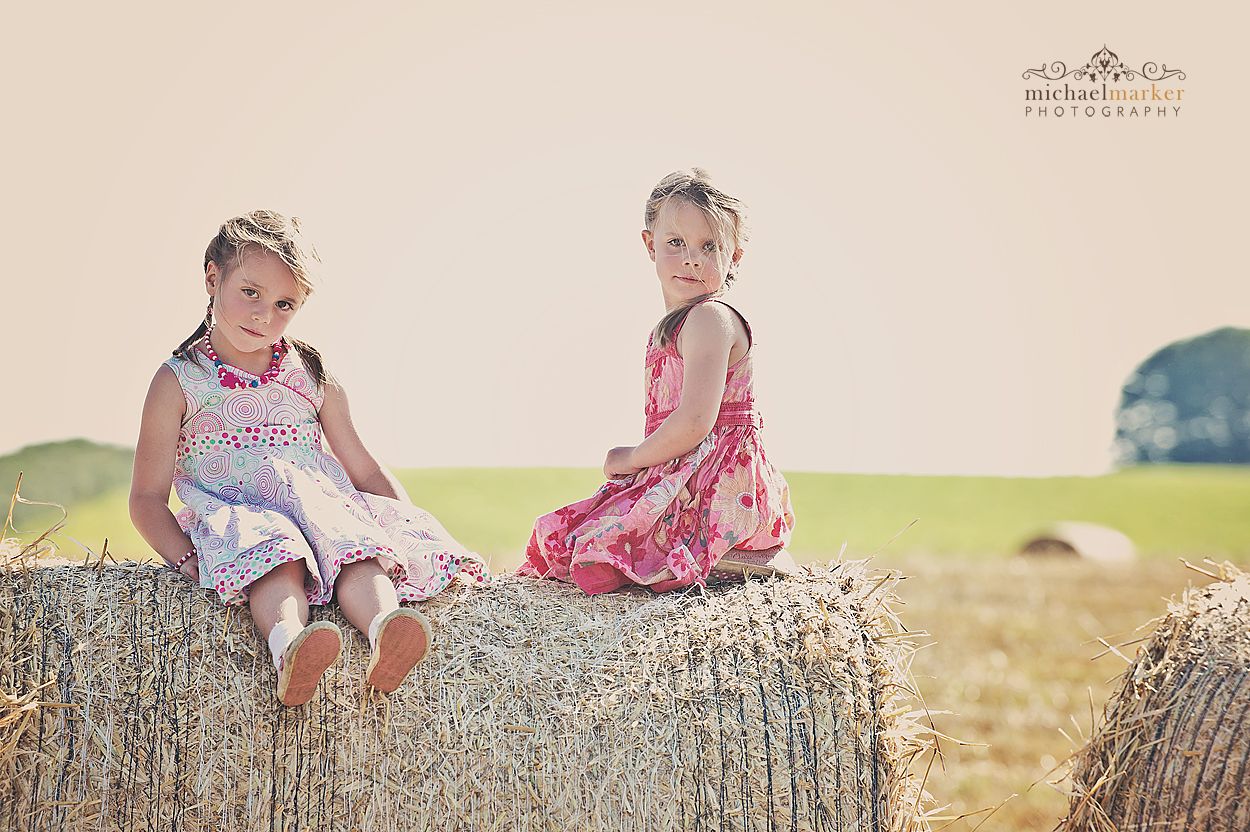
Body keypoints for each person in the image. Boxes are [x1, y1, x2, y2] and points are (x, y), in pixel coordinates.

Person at [130, 210, 488, 706]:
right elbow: (147, 498)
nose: (263, 317)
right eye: (250, 293)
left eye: (284, 304)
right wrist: (188, 558)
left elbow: (362, 467)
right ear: (213, 277)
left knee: (356, 549)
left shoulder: (311, 372)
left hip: (319, 507)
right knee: (276, 558)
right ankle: (291, 647)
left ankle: (387, 630)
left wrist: (405, 523)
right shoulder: (177, 381)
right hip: (241, 514)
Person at [520, 169, 795, 595]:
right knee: (574, 535)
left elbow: (693, 423)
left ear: (734, 257)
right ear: (649, 245)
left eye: (710, 246)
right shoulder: (673, 327)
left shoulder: (710, 318)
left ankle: (733, 548)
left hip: (720, 487)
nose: (692, 258)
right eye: (676, 243)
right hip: (685, 476)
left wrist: (631, 459)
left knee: (596, 542)